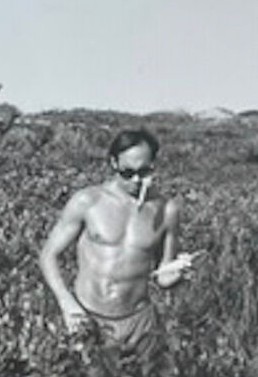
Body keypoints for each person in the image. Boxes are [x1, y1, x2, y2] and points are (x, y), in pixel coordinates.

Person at [37, 128, 195, 351]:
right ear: (114, 163)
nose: (136, 180)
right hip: (87, 317)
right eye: (127, 173)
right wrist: (66, 302)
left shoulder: (166, 210)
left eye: (144, 171)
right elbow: (48, 255)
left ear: (153, 164)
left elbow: (163, 277)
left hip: (139, 324)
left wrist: (180, 272)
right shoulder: (88, 201)